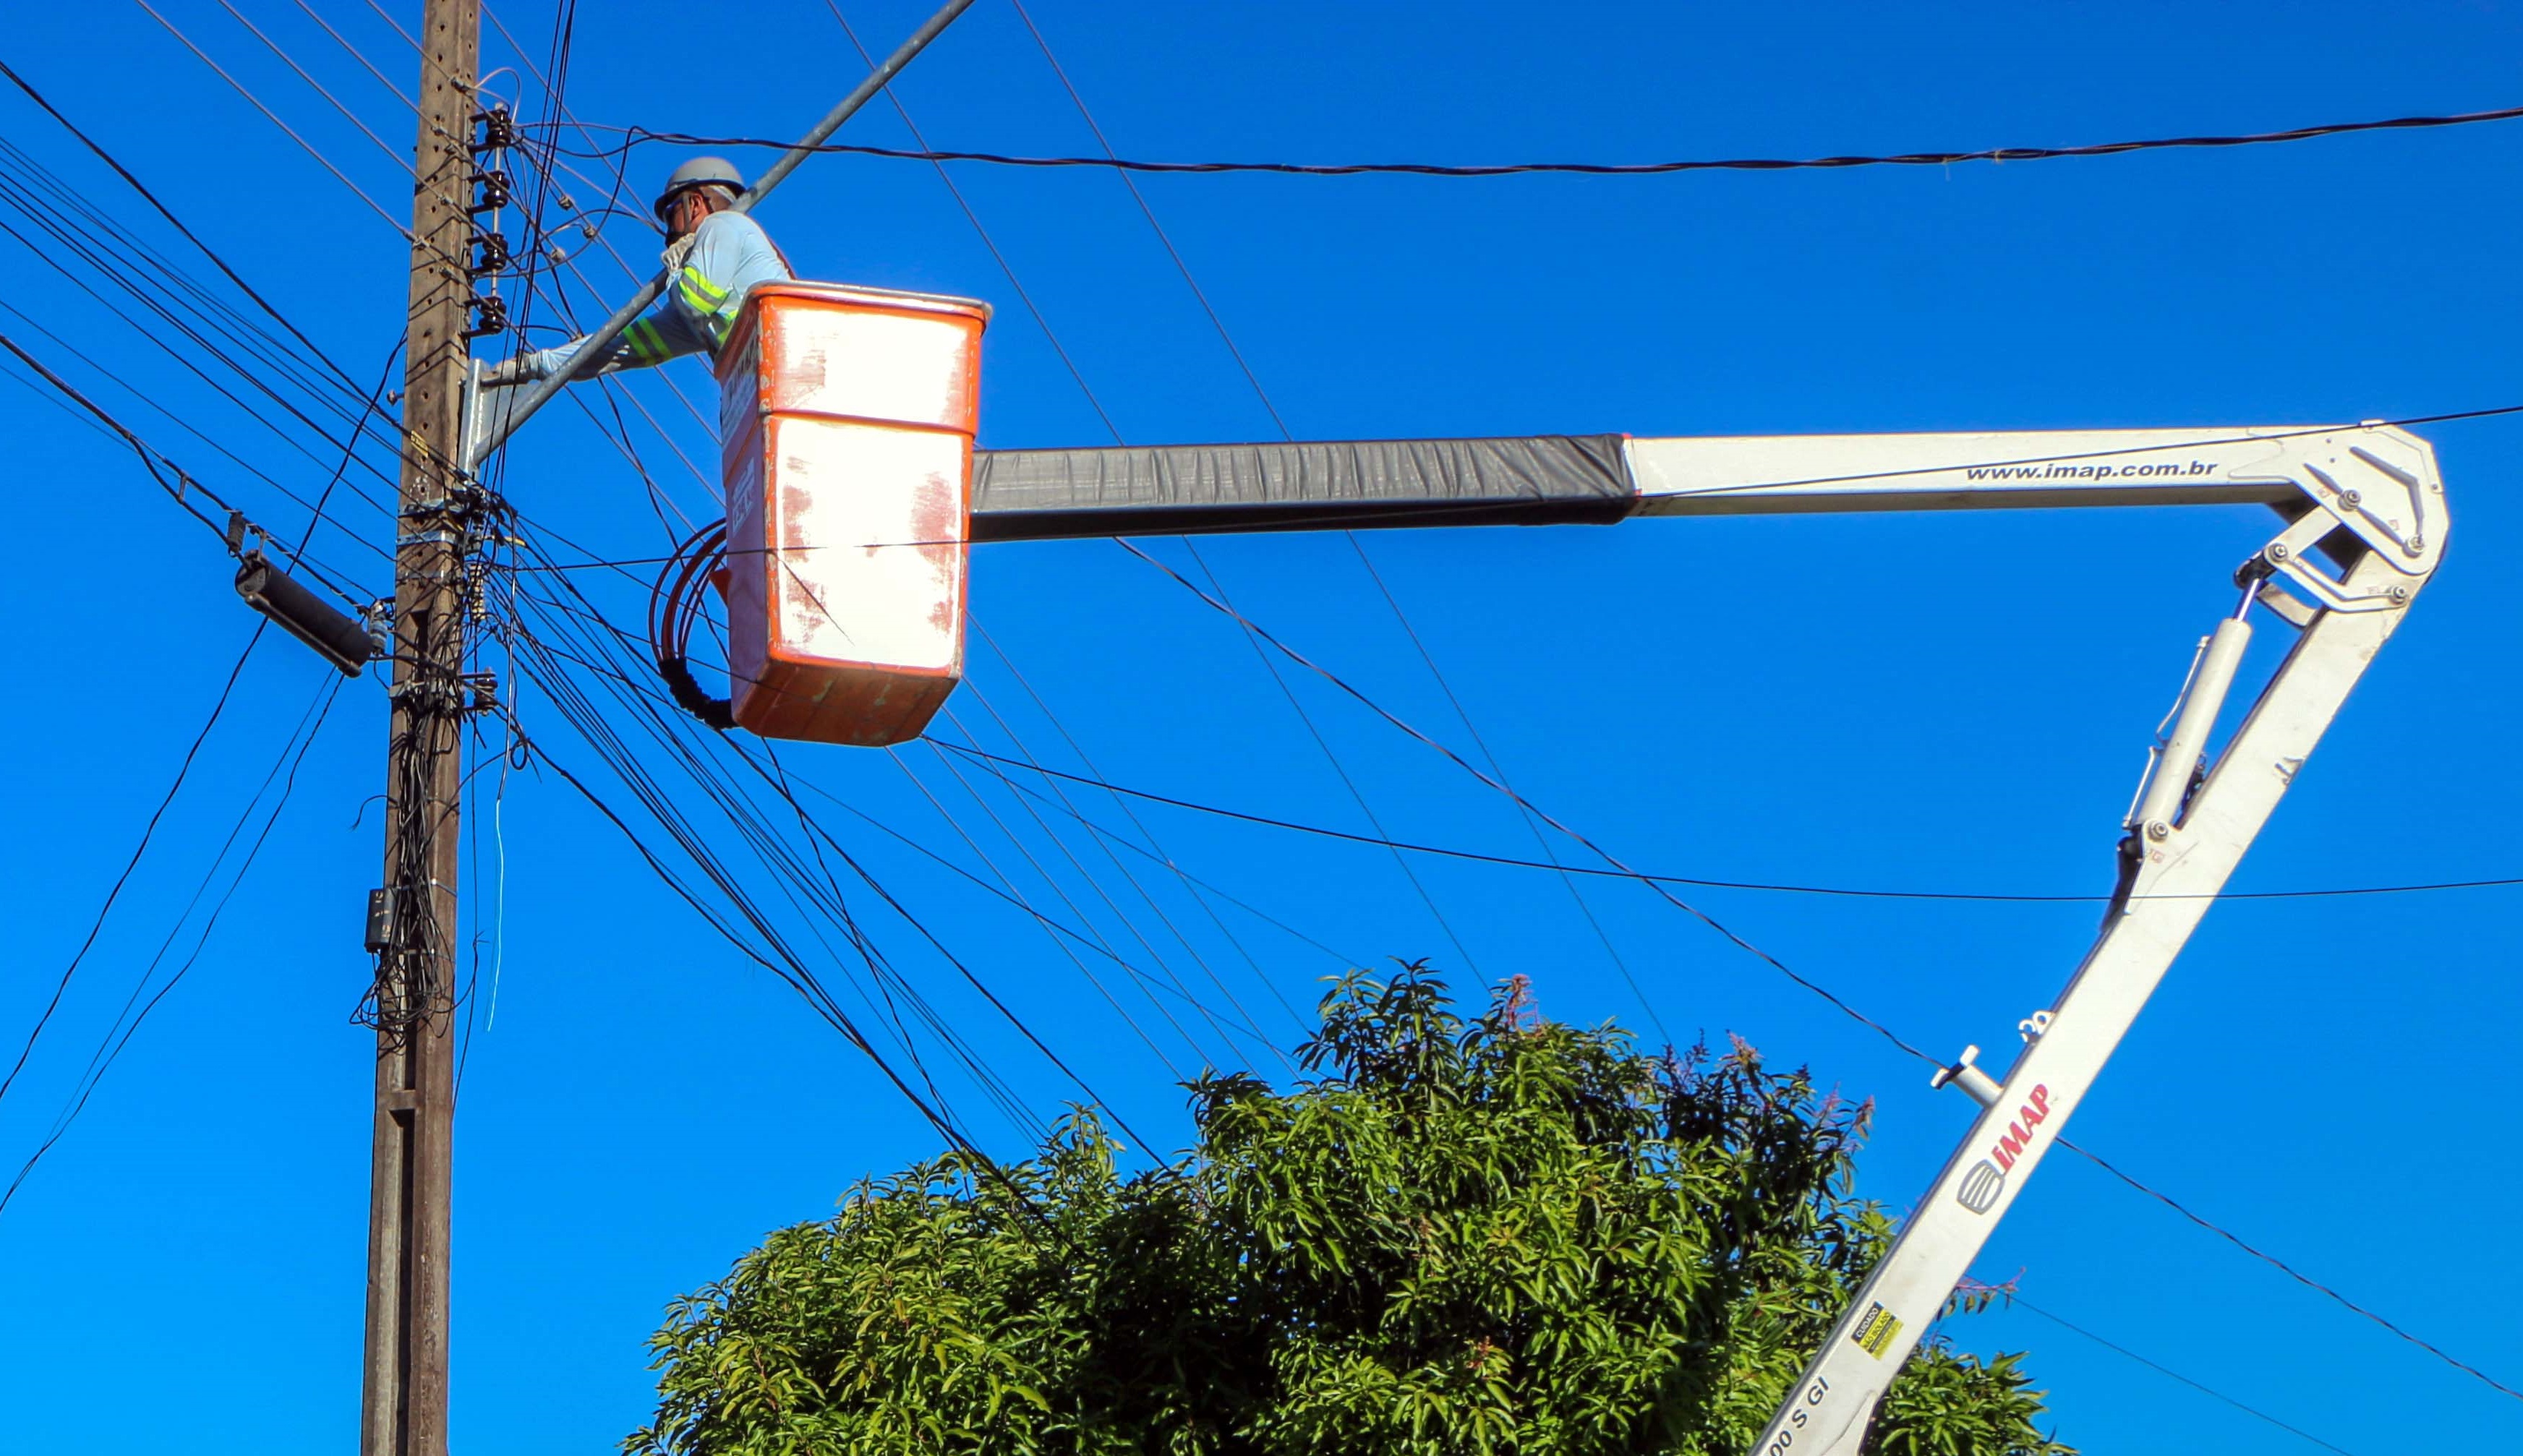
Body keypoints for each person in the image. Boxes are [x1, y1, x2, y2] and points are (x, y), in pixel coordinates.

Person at [484, 157, 791, 387]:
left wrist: (675, 272)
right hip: (771, 379)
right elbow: (617, 347)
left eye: (672, 217)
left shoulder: (722, 225)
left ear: (695, 204)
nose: (669, 233)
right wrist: (535, 366)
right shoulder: (699, 320)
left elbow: (696, 300)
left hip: (787, 363)